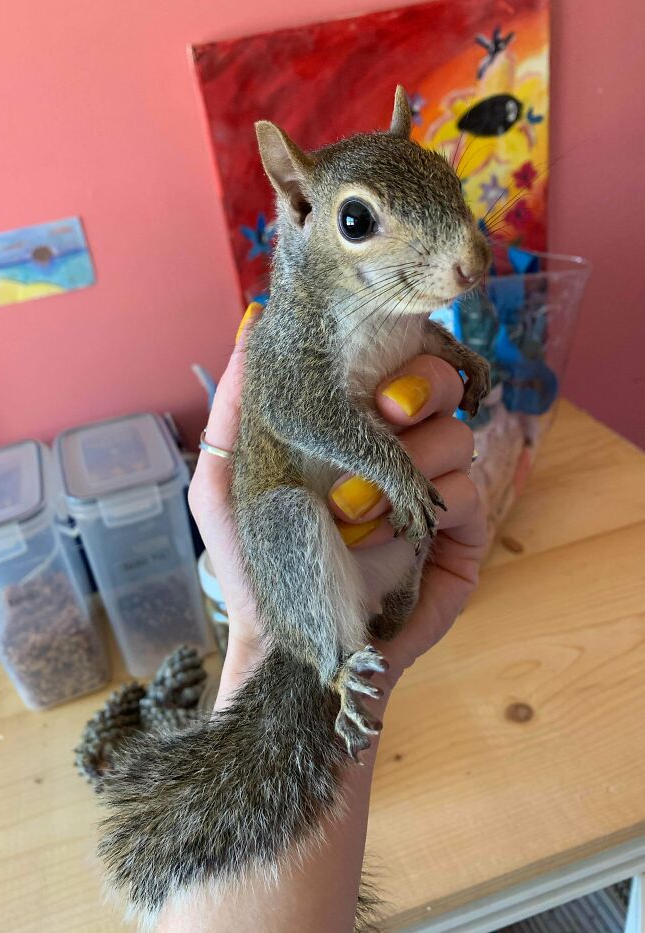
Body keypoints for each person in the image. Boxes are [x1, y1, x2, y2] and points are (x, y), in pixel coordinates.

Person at [158, 307, 487, 932]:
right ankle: (335, 655)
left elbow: (414, 333)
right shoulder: (304, 312)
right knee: (290, 511)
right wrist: (391, 470)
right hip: (299, 545)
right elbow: (299, 410)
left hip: (372, 571)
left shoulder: (393, 297)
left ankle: (365, 630)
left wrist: (455, 357)